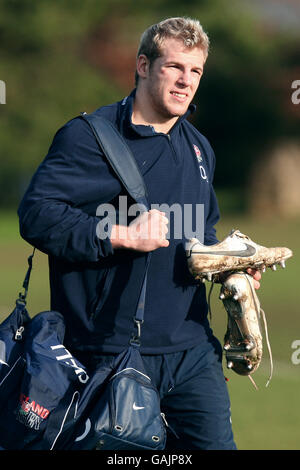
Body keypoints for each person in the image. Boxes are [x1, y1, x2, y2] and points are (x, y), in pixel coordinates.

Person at [18, 17, 261, 450]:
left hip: (192, 353)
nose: (186, 81)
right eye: (175, 67)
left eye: (196, 71)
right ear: (144, 65)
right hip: (108, 353)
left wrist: (228, 268)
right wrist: (119, 234)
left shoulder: (199, 147)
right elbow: (36, 215)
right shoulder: (89, 137)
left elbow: (200, 233)